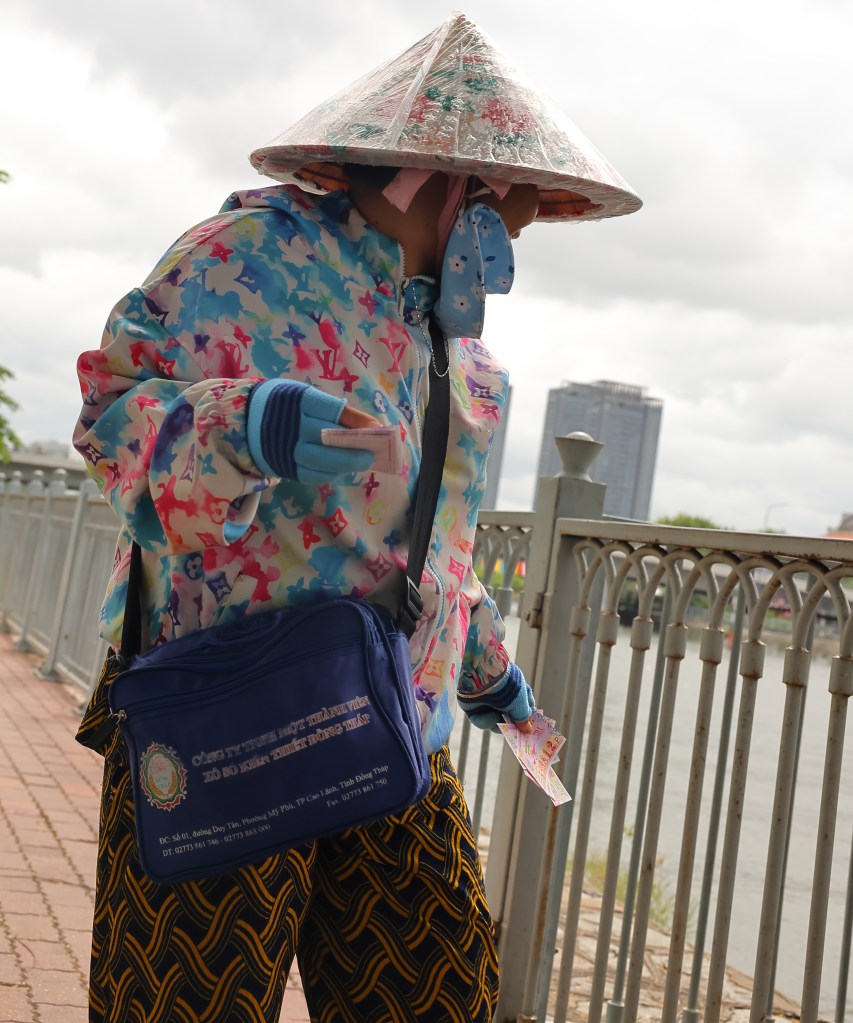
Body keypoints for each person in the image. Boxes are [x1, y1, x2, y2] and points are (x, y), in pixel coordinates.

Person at [73, 12, 641, 1023]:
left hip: (390, 725)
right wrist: (247, 425)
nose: (511, 244)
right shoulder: (240, 259)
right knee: (186, 1004)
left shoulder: (465, 369)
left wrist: (491, 679)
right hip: (223, 711)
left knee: (441, 991)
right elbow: (112, 423)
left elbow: (437, 558)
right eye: (509, 217)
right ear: (446, 182)